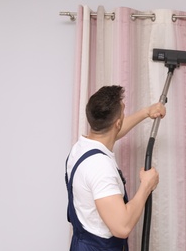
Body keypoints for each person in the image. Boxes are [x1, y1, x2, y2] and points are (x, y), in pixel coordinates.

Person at [65, 85, 165, 251]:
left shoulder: (80, 148)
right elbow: (122, 227)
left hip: (81, 244)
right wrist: (146, 185)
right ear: (117, 122)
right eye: (122, 110)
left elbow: (112, 132)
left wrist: (146, 112)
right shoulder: (100, 168)